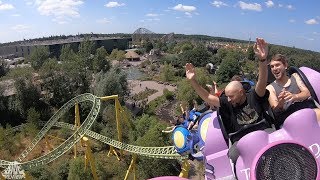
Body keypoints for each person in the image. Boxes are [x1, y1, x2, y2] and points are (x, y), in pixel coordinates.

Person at [185, 38, 270, 163]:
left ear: (241, 92)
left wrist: (262, 60)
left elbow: (262, 81)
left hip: (262, 134)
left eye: (231, 96)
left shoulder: (254, 96)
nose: (228, 99)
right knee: (234, 156)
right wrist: (193, 81)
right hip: (242, 141)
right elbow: (207, 97)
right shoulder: (227, 103)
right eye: (227, 96)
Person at [266, 54, 320, 128]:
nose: (274, 68)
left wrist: (295, 96)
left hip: (305, 109)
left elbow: (307, 93)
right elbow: (276, 110)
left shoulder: (295, 76)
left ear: (285, 66)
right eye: (272, 66)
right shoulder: (270, 88)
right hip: (288, 118)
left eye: (277, 65)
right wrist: (281, 102)